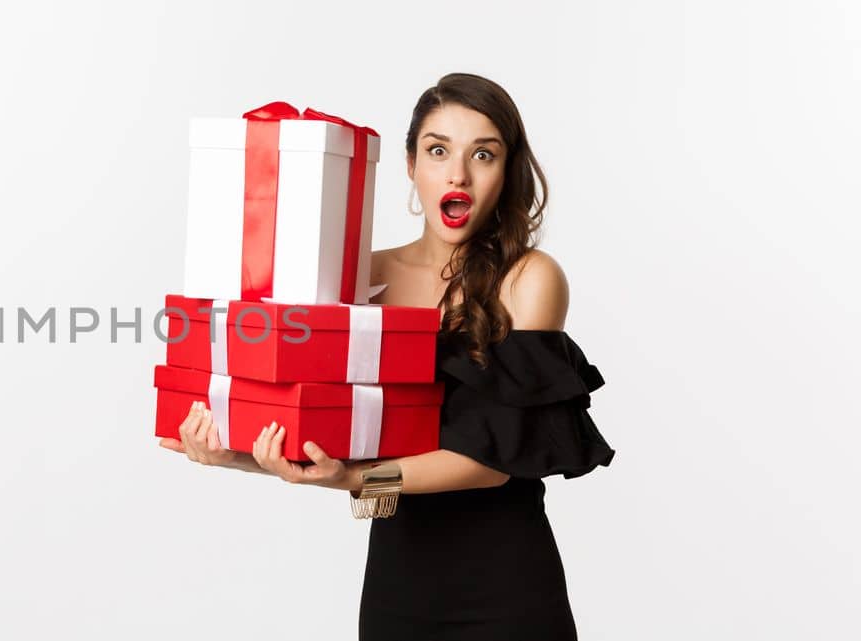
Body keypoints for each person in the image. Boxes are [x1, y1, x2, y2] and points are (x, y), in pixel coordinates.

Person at [158, 72, 616, 640]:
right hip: (398, 588)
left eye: (483, 154)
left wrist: (349, 478)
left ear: (508, 169)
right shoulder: (363, 277)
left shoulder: (530, 280)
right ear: (409, 165)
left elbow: (493, 464)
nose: (458, 174)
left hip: (509, 590)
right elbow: (318, 429)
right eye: (438, 150)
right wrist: (236, 452)